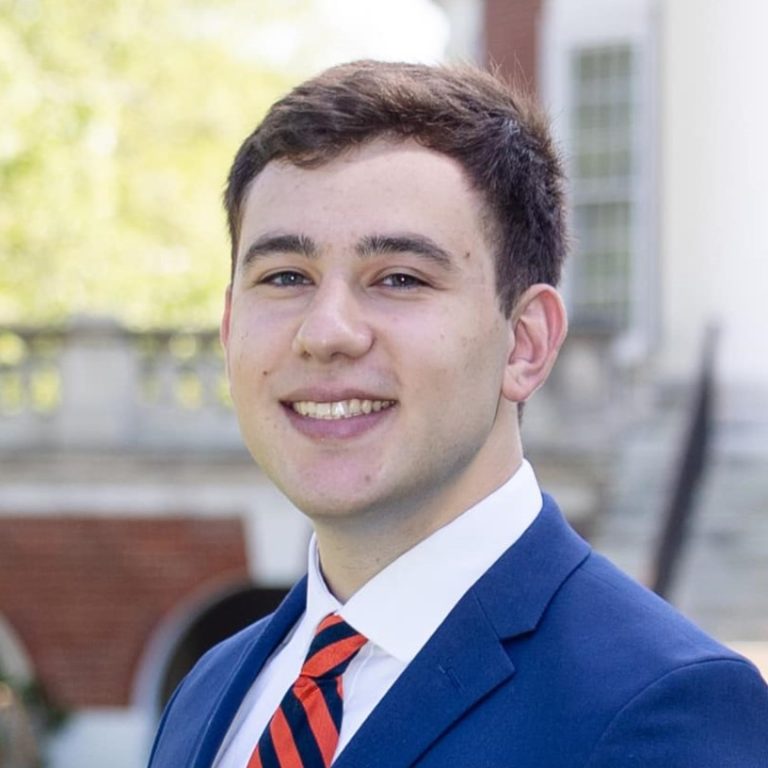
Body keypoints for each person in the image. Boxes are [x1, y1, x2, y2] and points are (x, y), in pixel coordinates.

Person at [148, 60, 768, 768]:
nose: (326, 332)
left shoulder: (661, 709)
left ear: (525, 343)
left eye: (401, 279)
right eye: (285, 276)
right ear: (229, 328)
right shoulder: (210, 690)